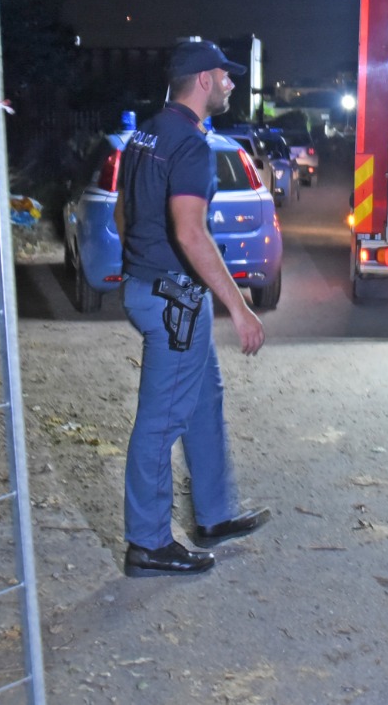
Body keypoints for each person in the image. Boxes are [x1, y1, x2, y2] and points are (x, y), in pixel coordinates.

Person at [117, 40, 269, 577]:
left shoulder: (145, 134)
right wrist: (240, 308)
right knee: (160, 423)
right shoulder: (191, 144)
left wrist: (142, 262)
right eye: (225, 76)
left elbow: (121, 213)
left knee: (203, 399)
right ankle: (148, 544)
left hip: (155, 288)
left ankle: (215, 514)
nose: (231, 84)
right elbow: (190, 232)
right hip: (173, 299)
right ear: (203, 80)